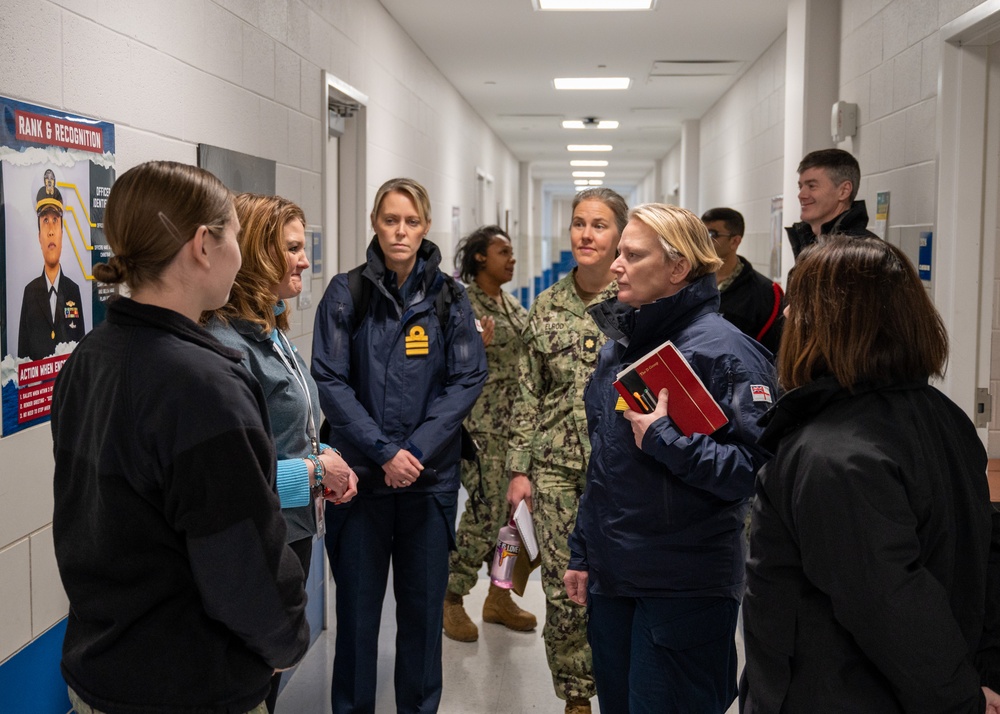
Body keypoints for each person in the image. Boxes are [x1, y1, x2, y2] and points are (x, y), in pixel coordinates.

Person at [51, 161, 309, 714]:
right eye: (235, 237)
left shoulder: (90, 358)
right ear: (202, 245)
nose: (239, 255)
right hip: (189, 686)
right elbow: (242, 561)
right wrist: (285, 640)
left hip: (101, 671)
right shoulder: (203, 386)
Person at [741, 236, 1000, 714]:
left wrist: (961, 699)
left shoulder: (834, 454)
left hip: (841, 693)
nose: (786, 319)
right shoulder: (942, 414)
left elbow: (891, 604)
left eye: (798, 306)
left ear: (829, 324)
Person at [563, 203, 776, 713]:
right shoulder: (623, 345)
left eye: (632, 256)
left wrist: (667, 440)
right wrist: (584, 549)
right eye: (619, 254)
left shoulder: (728, 354)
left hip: (684, 584)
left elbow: (757, 471)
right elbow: (606, 464)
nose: (615, 266)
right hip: (616, 574)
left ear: (677, 268)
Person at [311, 177, 487, 713]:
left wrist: (415, 453)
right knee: (359, 620)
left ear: (426, 226)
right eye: (391, 220)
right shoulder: (347, 293)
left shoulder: (451, 298)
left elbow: (467, 379)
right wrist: (385, 453)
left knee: (421, 616)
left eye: (411, 221)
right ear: (375, 224)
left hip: (428, 485)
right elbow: (330, 380)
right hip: (359, 485)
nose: (401, 231)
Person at [202, 193, 359, 713]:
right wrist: (315, 474)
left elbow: (287, 433)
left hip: (292, 530)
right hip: (260, 537)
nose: (305, 260)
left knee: (265, 681)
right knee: (252, 680)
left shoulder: (270, 329)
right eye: (291, 248)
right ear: (257, 252)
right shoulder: (227, 346)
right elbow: (237, 474)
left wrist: (325, 462)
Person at [505, 187, 628, 714]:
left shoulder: (635, 305)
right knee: (563, 590)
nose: (586, 234)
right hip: (554, 469)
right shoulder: (547, 306)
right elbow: (526, 391)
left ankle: (620, 688)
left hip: (623, 468)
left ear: (620, 235)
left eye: (599, 225)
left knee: (618, 582)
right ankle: (576, 696)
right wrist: (518, 470)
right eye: (579, 223)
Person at [443, 224, 535, 642]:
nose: (511, 259)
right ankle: (451, 595)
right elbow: (441, 363)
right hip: (479, 427)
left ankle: (498, 596)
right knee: (484, 515)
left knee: (510, 522)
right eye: (504, 252)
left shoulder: (512, 305)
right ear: (480, 257)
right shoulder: (462, 303)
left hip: (513, 429)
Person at [19, 168, 86, 360]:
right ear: (39, 236)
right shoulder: (29, 292)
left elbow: (80, 354)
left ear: (62, 233)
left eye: (55, 220)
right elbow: (23, 357)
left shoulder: (73, 290)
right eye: (45, 220)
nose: (50, 231)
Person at [701, 207, 783, 354]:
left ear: (735, 241)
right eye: (701, 233)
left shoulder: (765, 292)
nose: (703, 241)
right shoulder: (686, 281)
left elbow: (771, 351)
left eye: (712, 234)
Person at [785, 148, 878, 259]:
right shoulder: (812, 245)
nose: (801, 195)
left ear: (844, 191)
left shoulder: (863, 255)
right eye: (800, 187)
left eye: (812, 186)